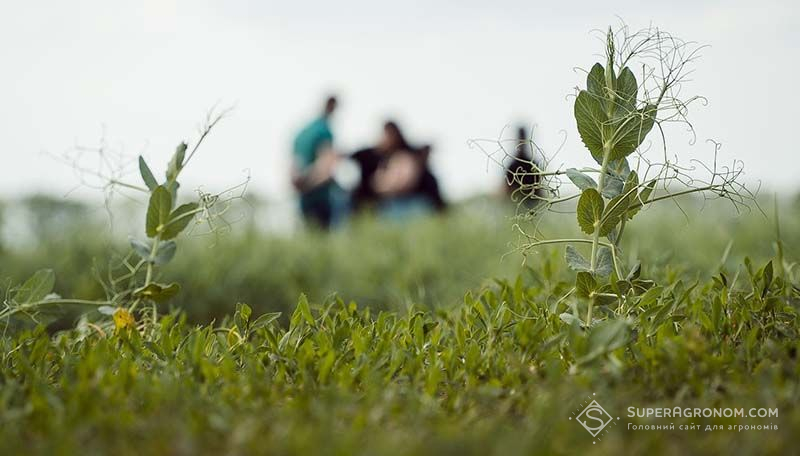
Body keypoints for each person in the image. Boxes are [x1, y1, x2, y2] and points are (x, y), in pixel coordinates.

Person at [291, 96, 339, 229]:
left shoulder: (302, 133)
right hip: (319, 195)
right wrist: (310, 183)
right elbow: (326, 166)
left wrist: (300, 184)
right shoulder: (324, 131)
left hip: (302, 196)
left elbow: (294, 166)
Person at [504, 126, 543, 206]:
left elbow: (539, 191)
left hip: (532, 207)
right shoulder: (512, 166)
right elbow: (507, 191)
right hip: (515, 207)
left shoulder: (533, 164)